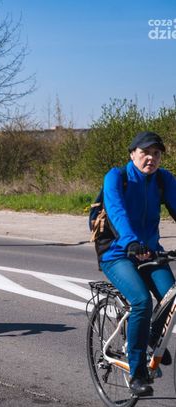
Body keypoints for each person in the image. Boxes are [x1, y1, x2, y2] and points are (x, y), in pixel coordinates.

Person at [99, 131, 176, 396]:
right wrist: (131, 241)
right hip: (117, 252)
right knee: (142, 301)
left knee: (171, 296)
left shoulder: (164, 179)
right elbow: (116, 212)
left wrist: (146, 247)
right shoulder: (116, 177)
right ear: (133, 154)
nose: (151, 158)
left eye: (156, 154)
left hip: (150, 252)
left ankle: (152, 336)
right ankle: (137, 373)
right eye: (145, 152)